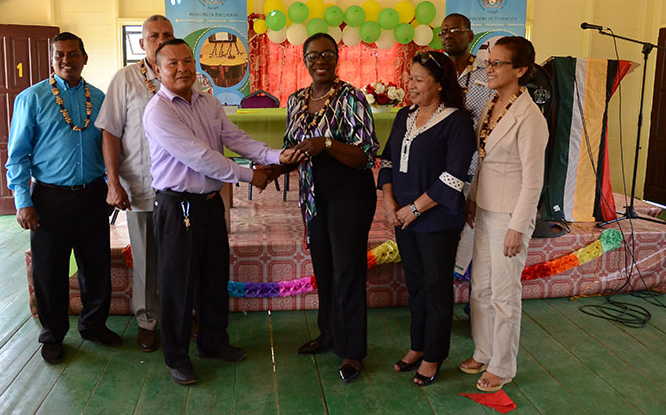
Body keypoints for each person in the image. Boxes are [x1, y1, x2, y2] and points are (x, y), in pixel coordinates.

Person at [142, 38, 301, 385]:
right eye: (172, 64)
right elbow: (199, 157)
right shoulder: (158, 111)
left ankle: (213, 342)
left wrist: (276, 157)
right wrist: (250, 175)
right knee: (178, 286)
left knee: (213, 278)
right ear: (157, 70)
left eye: (188, 61)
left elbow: (235, 138)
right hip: (177, 206)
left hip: (211, 204)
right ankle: (178, 357)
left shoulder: (208, 102)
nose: (182, 69)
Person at [6, 32, 121, 365]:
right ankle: (53, 334)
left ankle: (94, 325)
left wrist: (115, 186)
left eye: (73, 54)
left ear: (85, 58)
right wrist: (22, 200)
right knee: (49, 270)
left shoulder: (99, 99)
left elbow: (113, 148)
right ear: (51, 60)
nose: (66, 60)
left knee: (96, 265)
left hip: (92, 195)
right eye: (59, 55)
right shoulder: (32, 98)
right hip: (49, 199)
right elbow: (18, 156)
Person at [282, 33, 379, 384]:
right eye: (312, 55)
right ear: (303, 60)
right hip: (313, 196)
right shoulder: (295, 101)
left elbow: (365, 154)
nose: (319, 60)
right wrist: (264, 170)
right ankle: (329, 334)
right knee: (324, 268)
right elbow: (291, 150)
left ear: (337, 58)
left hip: (349, 194)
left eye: (327, 54)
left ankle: (352, 350)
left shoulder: (351, 98)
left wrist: (326, 143)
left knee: (347, 270)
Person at [378, 51, 475, 386]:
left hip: (437, 220)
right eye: (410, 78)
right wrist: (389, 202)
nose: (411, 85)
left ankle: (434, 355)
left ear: (439, 84)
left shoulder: (458, 121)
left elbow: (453, 176)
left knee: (436, 288)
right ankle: (417, 345)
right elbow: (388, 161)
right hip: (404, 219)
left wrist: (416, 208)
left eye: (419, 80)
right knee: (416, 285)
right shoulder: (404, 116)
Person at [459, 36, 548, 392]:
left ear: (521, 71)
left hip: (510, 214)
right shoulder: (491, 103)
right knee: (479, 288)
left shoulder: (530, 117)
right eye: (489, 61)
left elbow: (533, 180)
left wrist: (517, 227)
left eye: (498, 63)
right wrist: (472, 196)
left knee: (504, 293)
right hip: (484, 207)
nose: (489, 68)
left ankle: (503, 365)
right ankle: (483, 350)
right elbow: (483, 157)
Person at [94, 14, 175, 352]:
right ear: (142, 44)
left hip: (180, 186)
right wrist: (113, 183)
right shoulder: (125, 79)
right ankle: (147, 320)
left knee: (180, 254)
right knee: (145, 257)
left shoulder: (184, 74)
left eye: (166, 34)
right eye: (153, 35)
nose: (160, 39)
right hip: (139, 185)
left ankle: (183, 313)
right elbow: (110, 132)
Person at [439, 13, 496, 283]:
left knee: (476, 228)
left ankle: (475, 296)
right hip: (443, 164)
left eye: (455, 30)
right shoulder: (438, 74)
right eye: (444, 31)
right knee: (447, 228)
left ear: (470, 36)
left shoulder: (488, 73)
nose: (448, 35)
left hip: (476, 165)